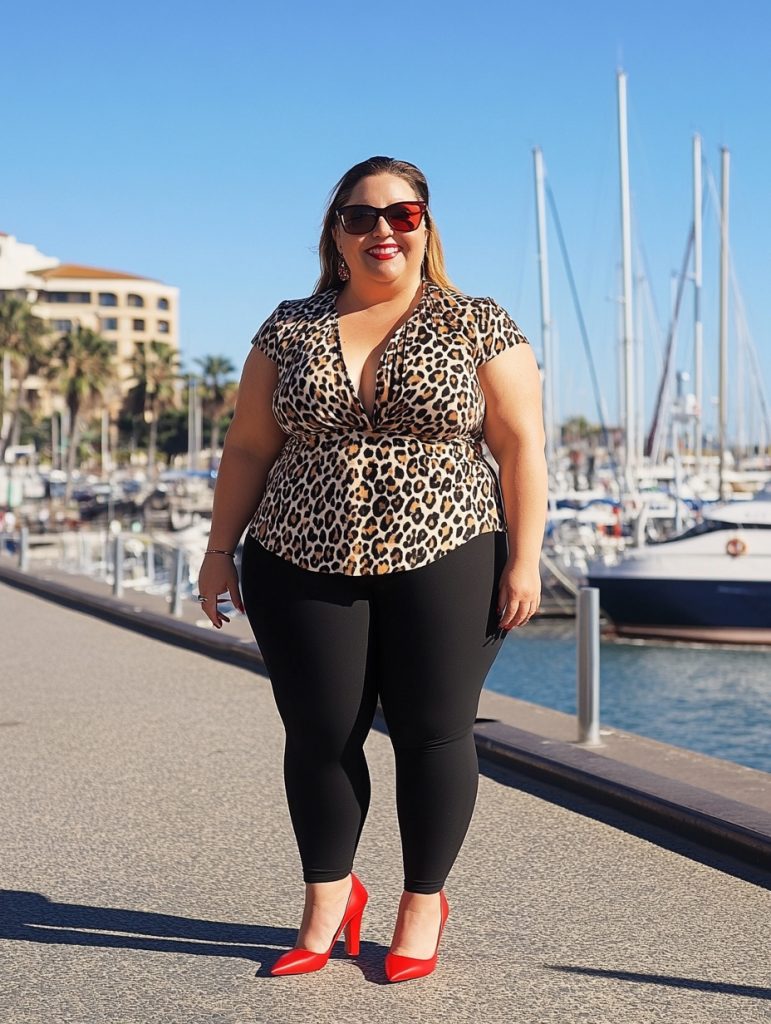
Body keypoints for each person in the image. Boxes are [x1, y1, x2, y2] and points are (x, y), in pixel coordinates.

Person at [197, 155, 548, 982]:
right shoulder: (289, 327)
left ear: (425, 225)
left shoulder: (476, 322)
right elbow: (249, 445)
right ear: (336, 232)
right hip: (297, 551)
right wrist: (218, 550)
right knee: (319, 735)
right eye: (361, 216)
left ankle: (421, 904)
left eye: (402, 214)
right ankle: (328, 901)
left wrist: (526, 556)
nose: (382, 230)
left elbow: (520, 444)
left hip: (449, 546)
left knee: (432, 733)